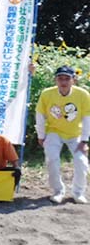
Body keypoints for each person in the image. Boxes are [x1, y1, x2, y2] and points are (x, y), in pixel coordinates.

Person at [35, 66, 90, 204]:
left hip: (75, 133)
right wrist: (41, 136)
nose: (63, 82)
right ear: (56, 80)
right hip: (53, 131)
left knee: (81, 162)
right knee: (52, 159)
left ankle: (78, 193)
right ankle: (58, 191)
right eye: (60, 78)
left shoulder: (83, 95)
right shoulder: (47, 94)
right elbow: (40, 115)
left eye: (67, 78)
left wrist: (84, 140)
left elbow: (87, 118)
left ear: (74, 80)